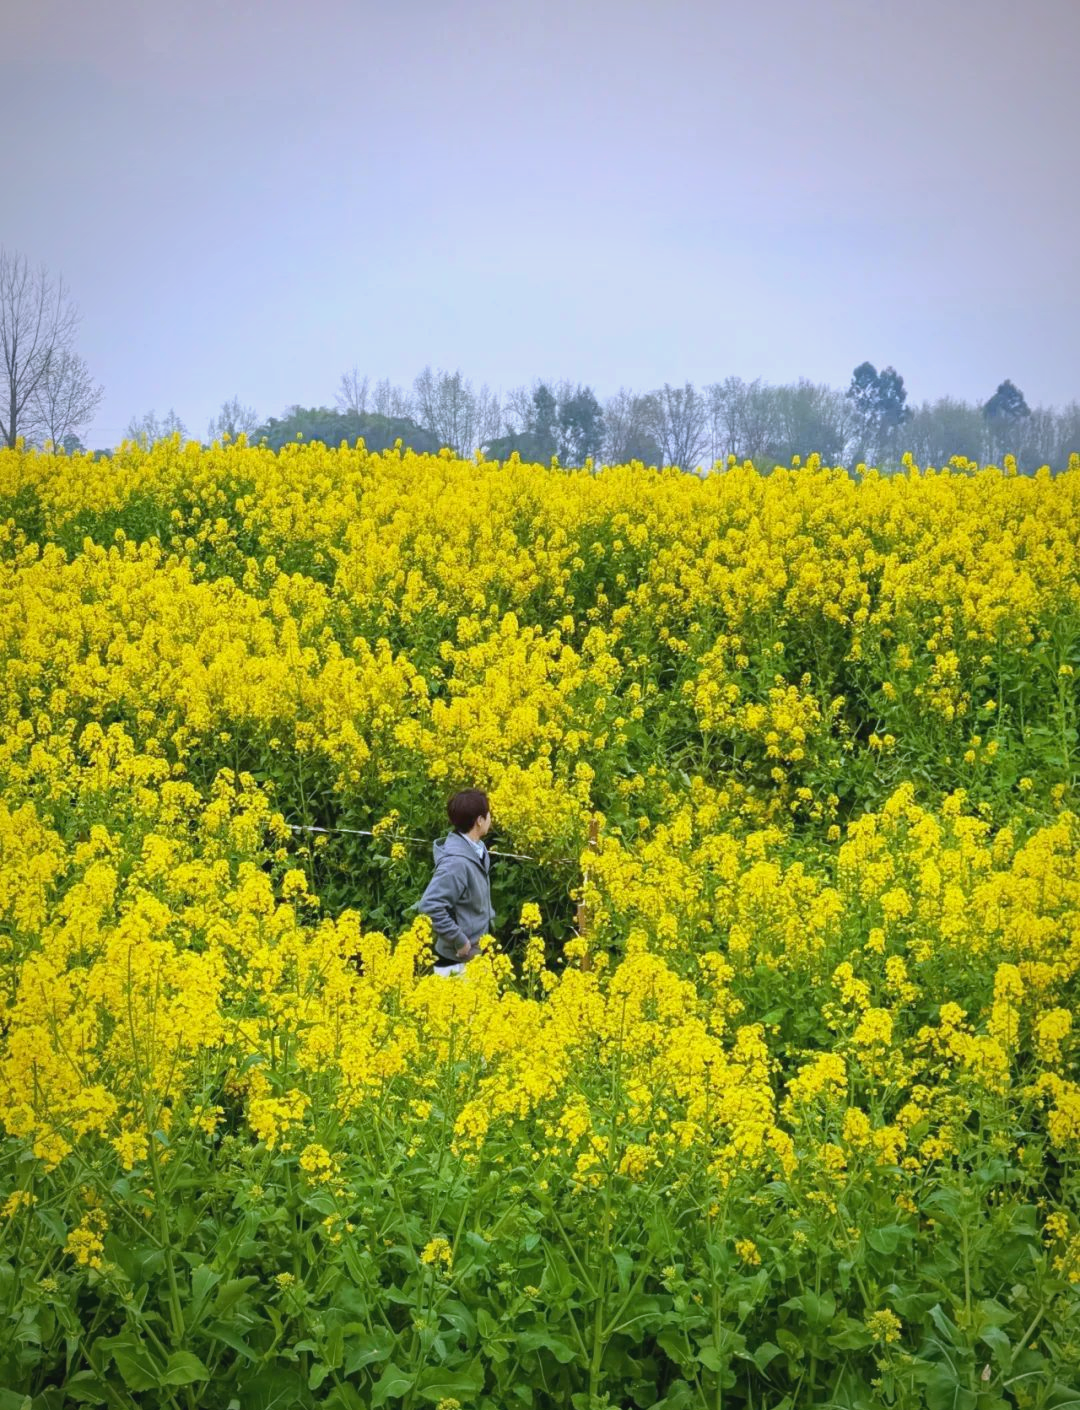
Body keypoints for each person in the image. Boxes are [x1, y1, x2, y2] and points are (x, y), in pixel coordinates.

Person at [412, 789, 496, 976]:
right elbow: (430, 905)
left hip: (475, 955)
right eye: (488, 813)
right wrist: (460, 940)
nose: (491, 817)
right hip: (456, 962)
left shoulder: (477, 849)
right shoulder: (455, 863)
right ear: (479, 820)